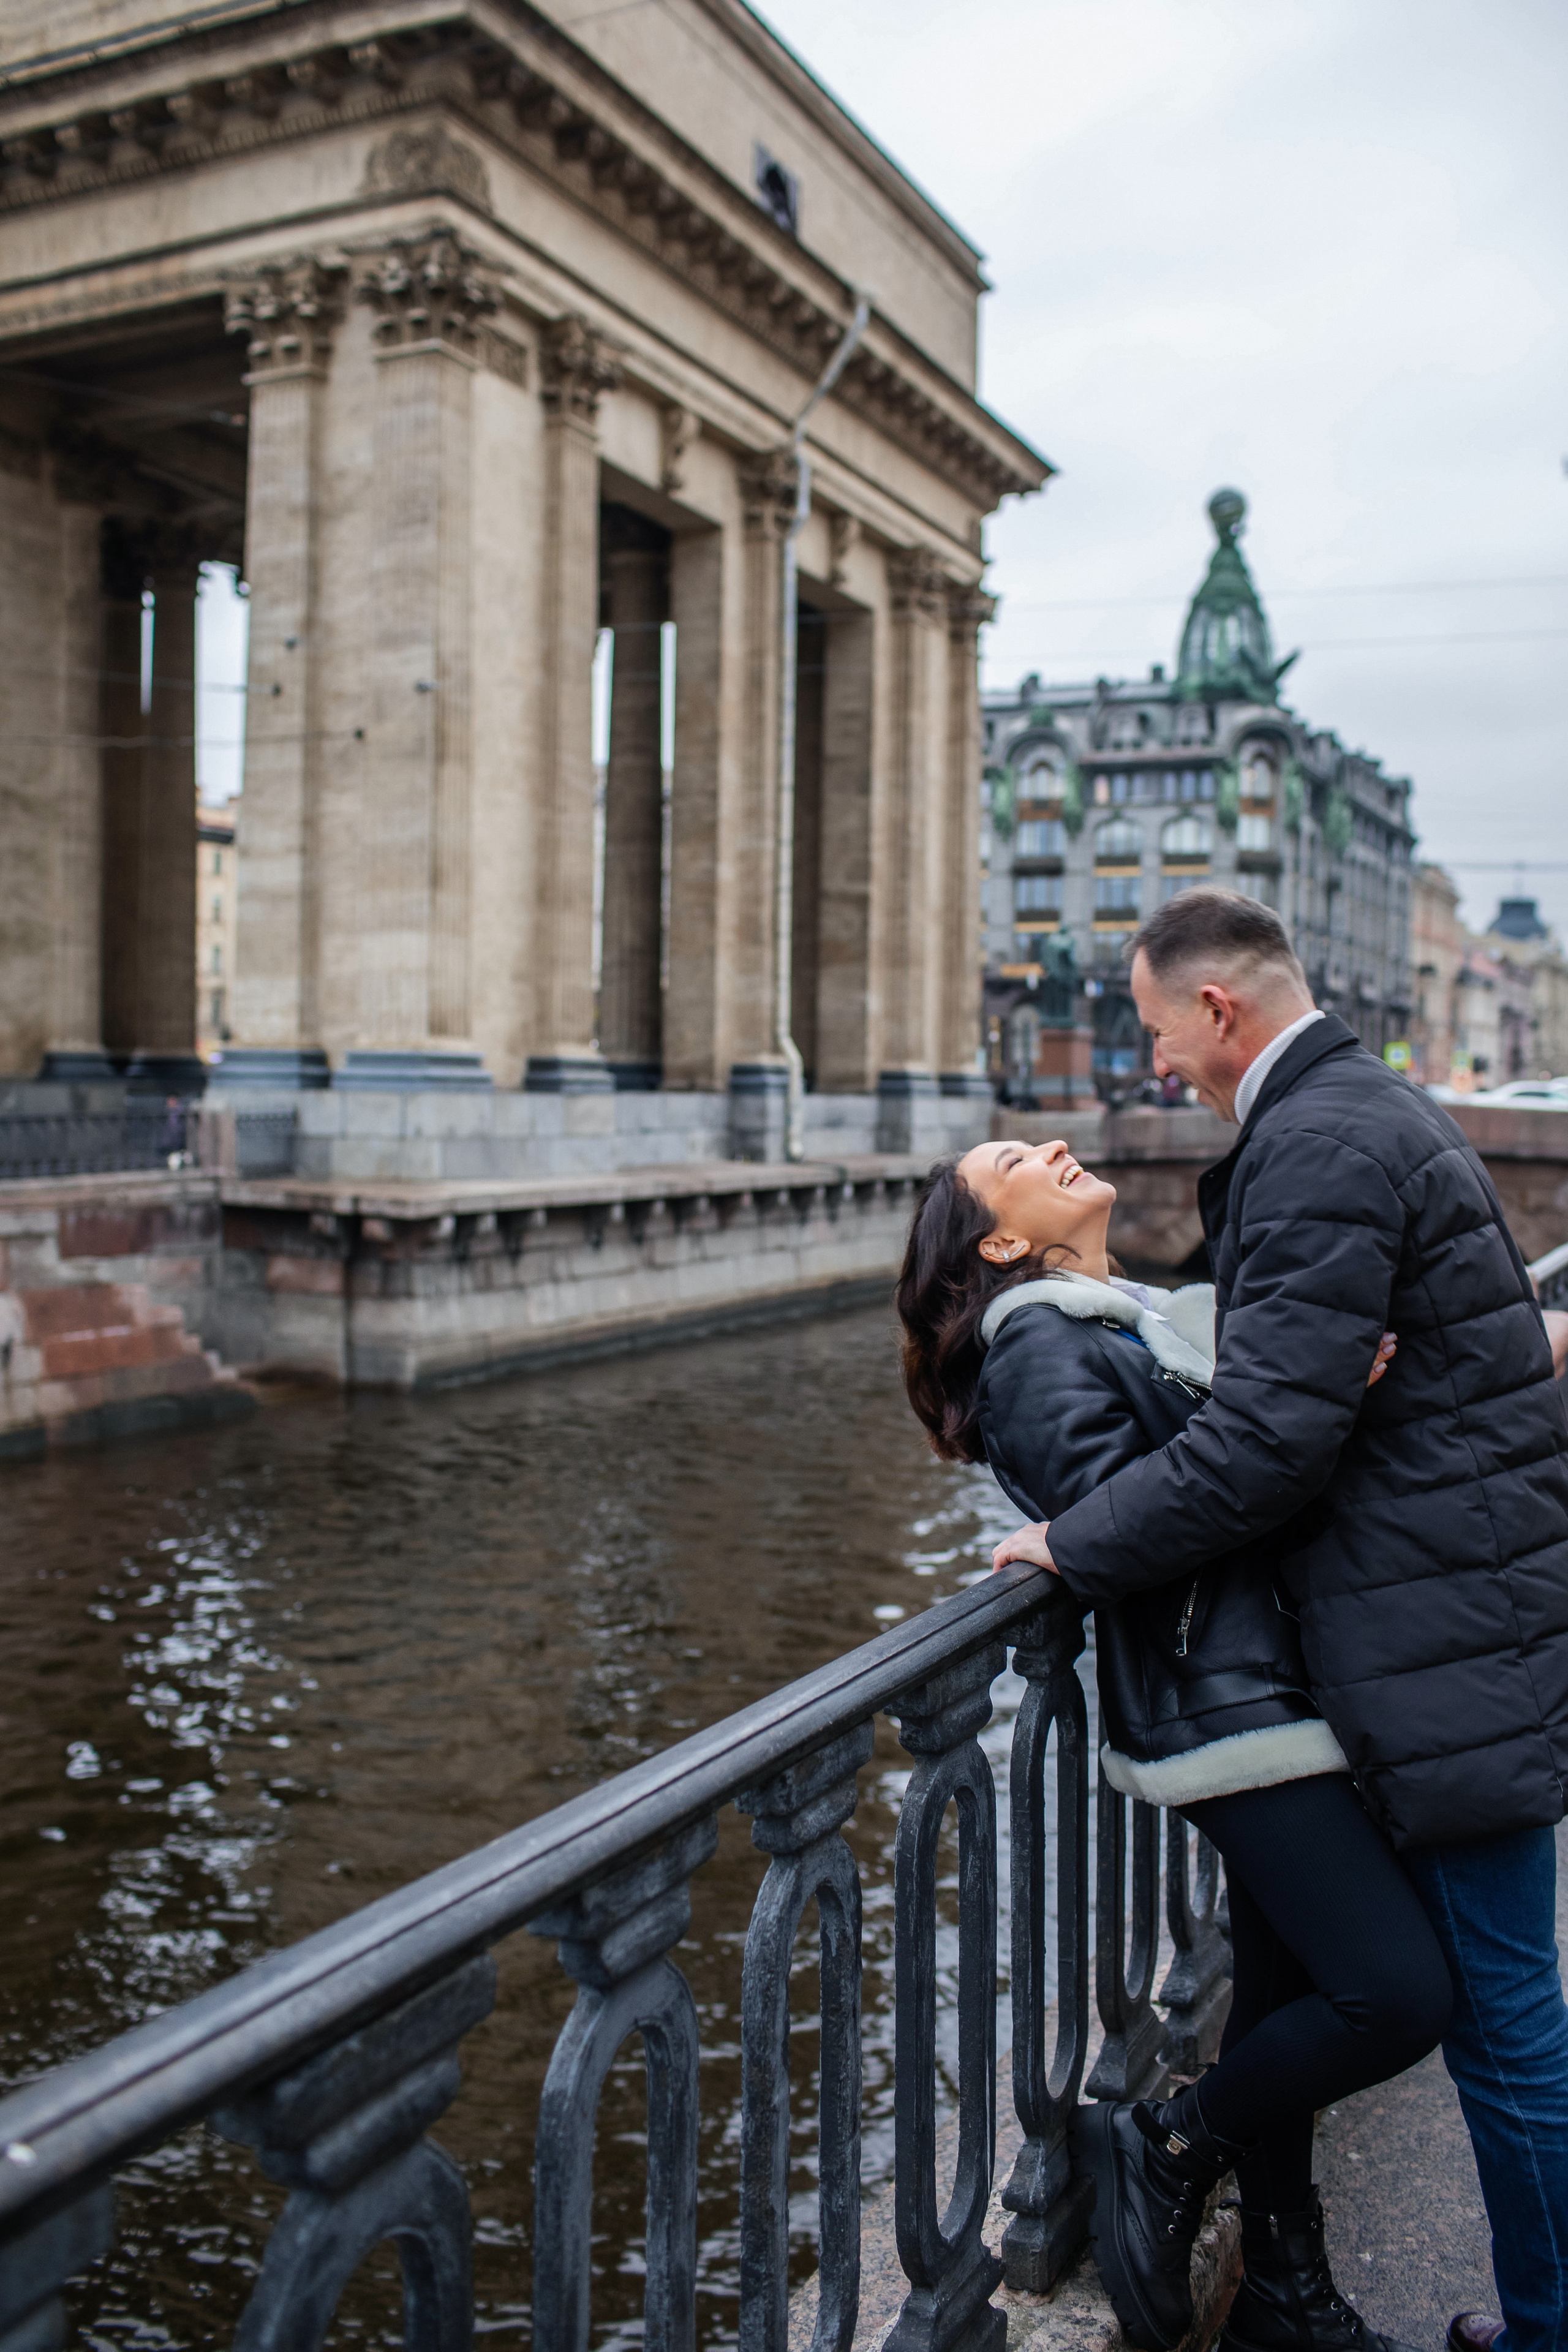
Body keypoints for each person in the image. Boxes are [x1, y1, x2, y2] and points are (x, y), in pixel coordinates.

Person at [992, 889, 1568, 2352]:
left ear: (1219, 1012)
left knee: (1503, 2031)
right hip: (1461, 1613)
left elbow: (1259, 1449)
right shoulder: (1370, 1110)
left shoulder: (1310, 1143)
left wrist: (1070, 1539)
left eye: (1153, 1025)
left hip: (1436, 1633)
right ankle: (1308, 2288)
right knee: (1486, 2009)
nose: (1152, 1060)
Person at [895, 1139, 1451, 2352]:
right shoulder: (1035, 1343)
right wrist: (1302, 1422)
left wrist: (1315, 1402)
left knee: (1279, 2000)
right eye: (1013, 1158)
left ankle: (1283, 2293)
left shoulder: (1125, 1316)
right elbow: (1143, 1517)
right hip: (1228, 1709)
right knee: (1396, 1994)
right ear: (997, 1243)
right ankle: (1162, 2141)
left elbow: (1193, 1479)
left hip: (1280, 1685)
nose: (1051, 1143)